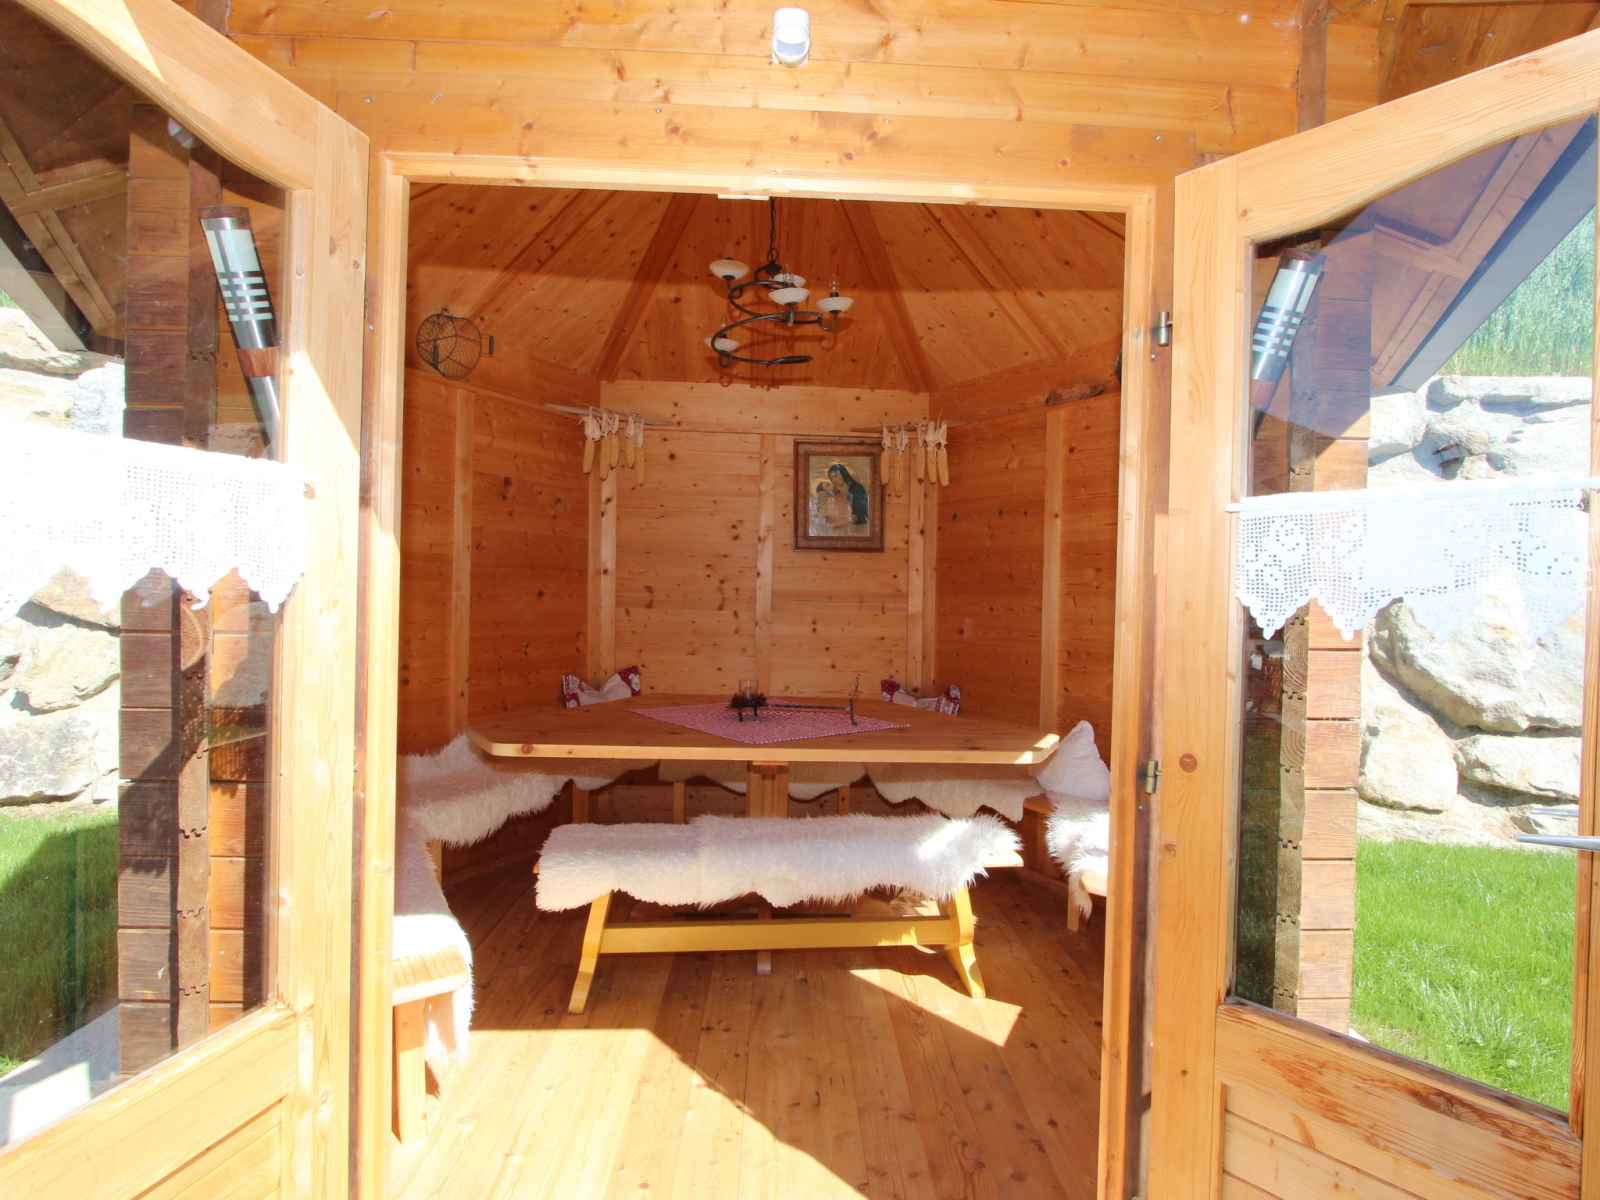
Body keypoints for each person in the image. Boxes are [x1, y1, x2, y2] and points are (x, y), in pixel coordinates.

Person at [828, 462, 870, 527]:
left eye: (836, 476)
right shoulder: (837, 492)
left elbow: (861, 517)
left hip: (859, 527)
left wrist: (841, 522)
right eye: (831, 478)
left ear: (844, 474)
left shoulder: (857, 489)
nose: (834, 480)